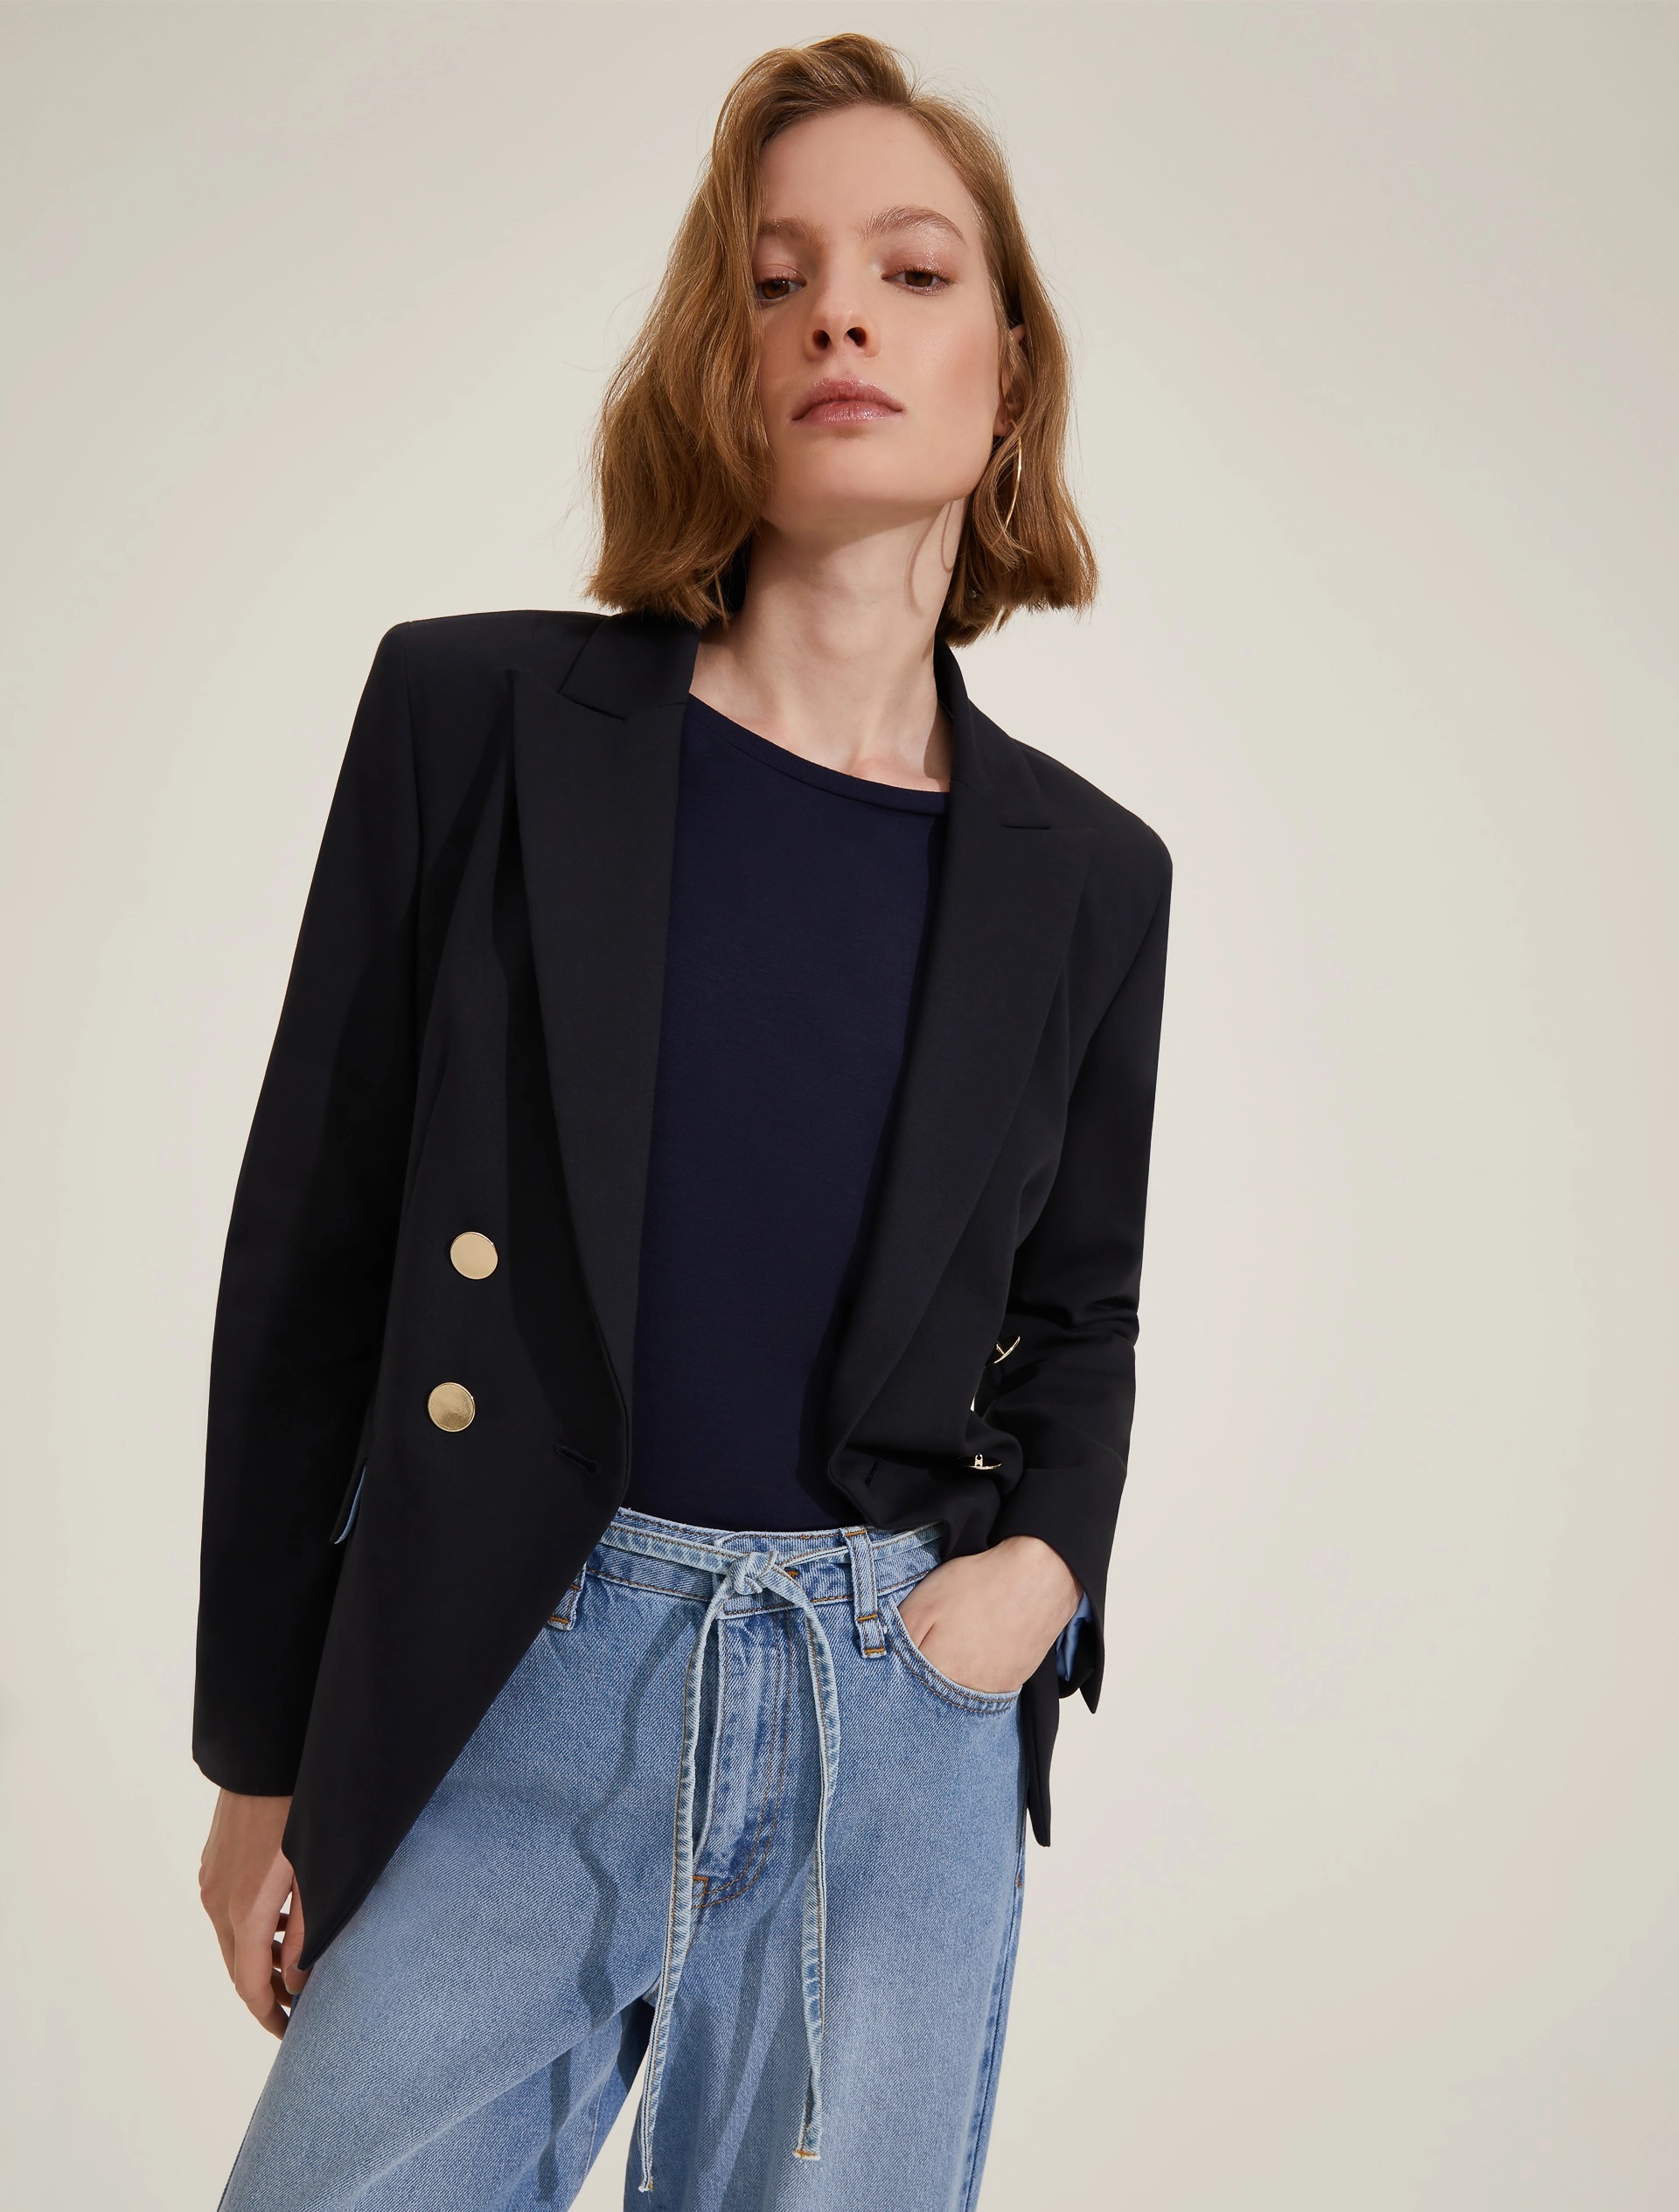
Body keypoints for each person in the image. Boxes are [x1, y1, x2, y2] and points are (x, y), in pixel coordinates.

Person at [194, 31, 1171, 2211]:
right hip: (507, 1670)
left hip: (891, 1715)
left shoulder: (1094, 877)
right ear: (717, 366)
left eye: (912, 271)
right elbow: (310, 1250)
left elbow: (1081, 1311)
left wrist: (1042, 1572)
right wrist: (257, 1756)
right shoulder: (470, 718)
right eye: (775, 278)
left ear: (1007, 370)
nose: (840, 317)